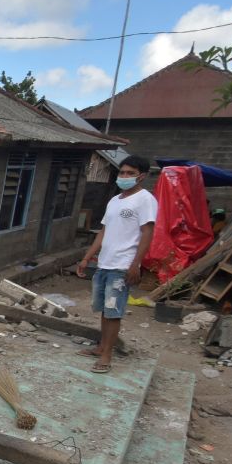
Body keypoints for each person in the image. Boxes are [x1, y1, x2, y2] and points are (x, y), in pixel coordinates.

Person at [75, 156, 157, 373]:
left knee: (114, 311)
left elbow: (147, 233)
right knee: (104, 309)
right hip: (105, 263)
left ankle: (107, 355)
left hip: (123, 264)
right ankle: (102, 346)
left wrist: (135, 265)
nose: (124, 177)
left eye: (130, 173)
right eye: (122, 173)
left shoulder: (145, 200)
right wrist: (87, 258)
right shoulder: (115, 200)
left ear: (142, 176)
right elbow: (103, 232)